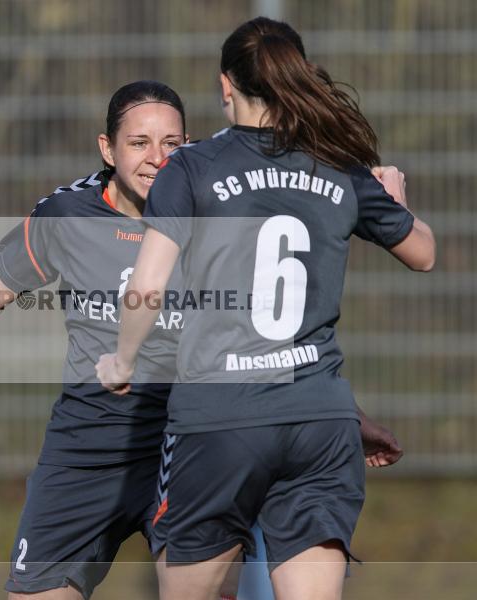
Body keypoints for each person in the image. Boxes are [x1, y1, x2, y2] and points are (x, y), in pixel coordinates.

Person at [0, 80, 403, 600]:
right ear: (108, 148)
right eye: (139, 143)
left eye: (172, 143)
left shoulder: (221, 210)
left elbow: (283, 334)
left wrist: (347, 417)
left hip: (191, 443)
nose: (156, 158)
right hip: (87, 447)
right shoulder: (70, 214)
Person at [96, 18, 434, 600]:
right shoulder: (340, 165)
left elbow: (147, 288)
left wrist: (122, 360)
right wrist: (395, 202)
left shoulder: (192, 167)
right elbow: (423, 253)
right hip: (320, 422)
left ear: (225, 85)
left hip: (220, 419)